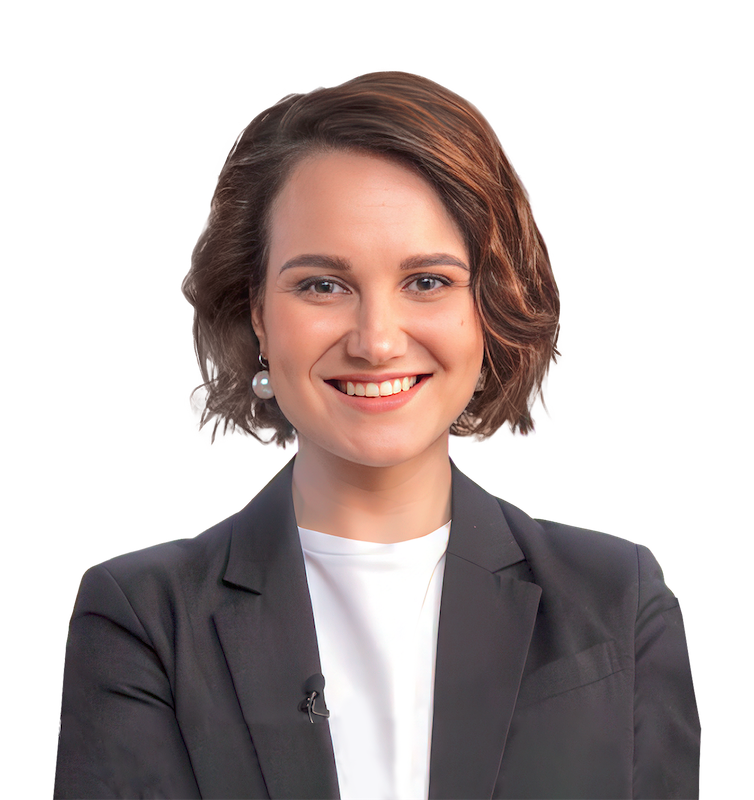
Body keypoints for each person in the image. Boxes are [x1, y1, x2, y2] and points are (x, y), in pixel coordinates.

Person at [53, 71, 700, 799]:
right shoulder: (144, 618)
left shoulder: (617, 599)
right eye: (322, 285)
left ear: (488, 306)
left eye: (427, 281)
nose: (377, 342)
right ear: (257, 310)